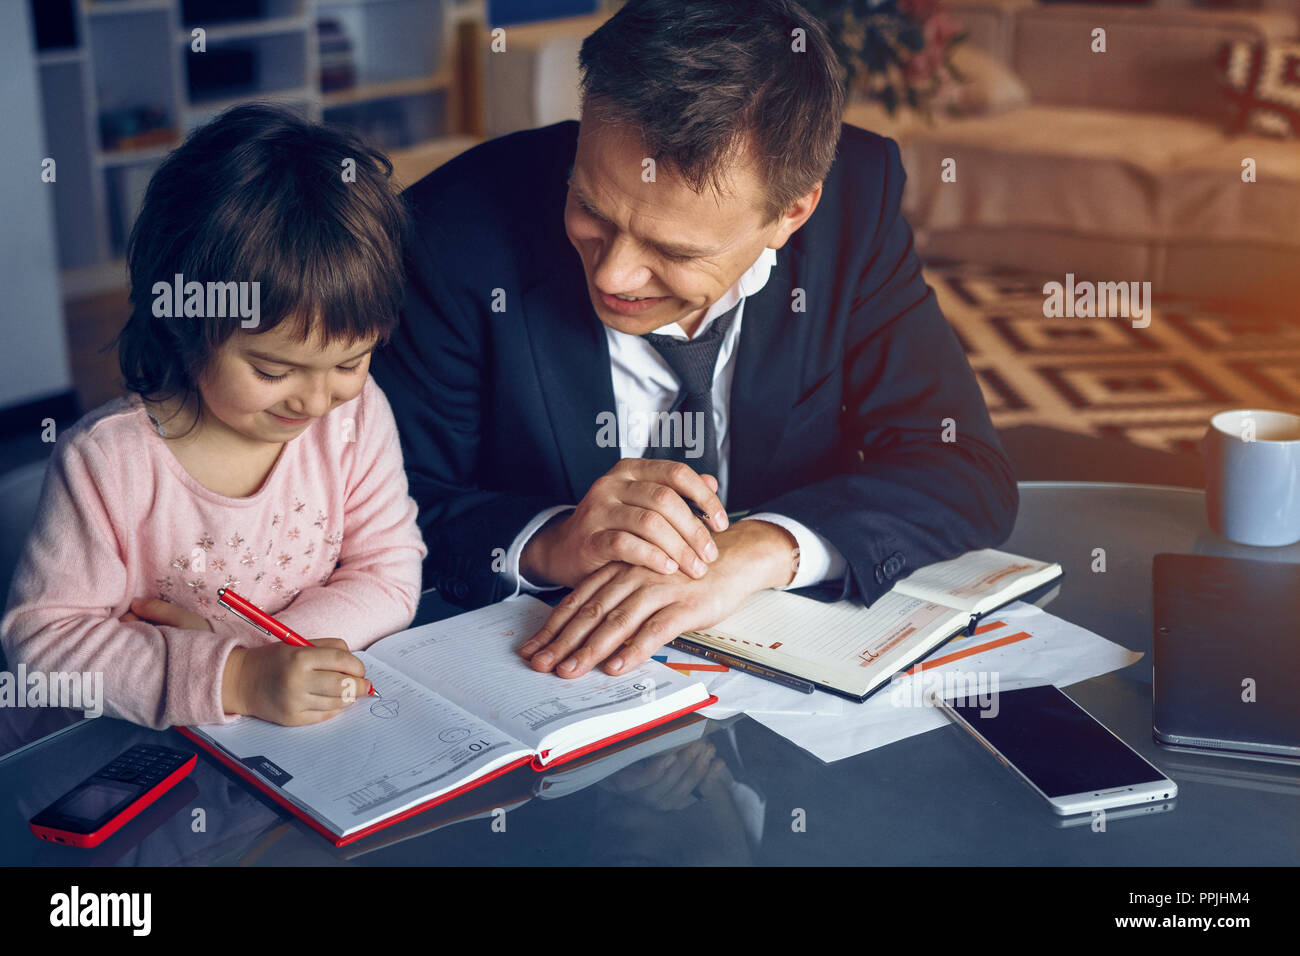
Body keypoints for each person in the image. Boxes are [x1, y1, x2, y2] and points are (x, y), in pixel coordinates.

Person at [370, 0, 1017, 681]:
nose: (614, 273)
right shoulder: (451, 231)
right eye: (590, 206)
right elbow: (379, 503)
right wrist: (550, 540)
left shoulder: (860, 201)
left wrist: (762, 549)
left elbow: (963, 465)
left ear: (791, 214)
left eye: (673, 249)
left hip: (782, 669)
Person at [0, 105, 426, 729]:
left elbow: (390, 576)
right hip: (148, 759)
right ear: (184, 323)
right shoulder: (109, 461)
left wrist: (263, 654)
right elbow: (41, 647)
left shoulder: (356, 420)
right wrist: (235, 677)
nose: (315, 402)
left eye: (350, 362)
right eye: (273, 372)